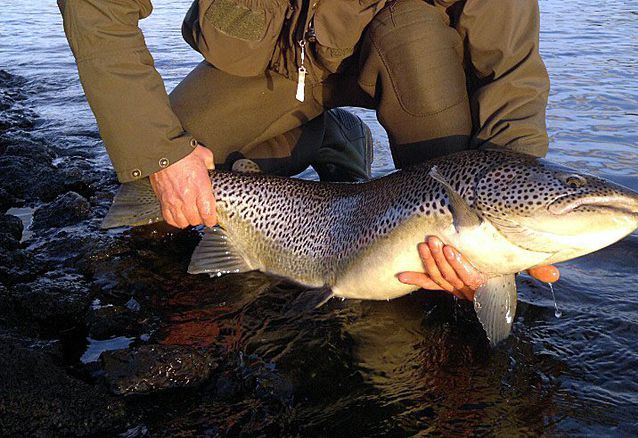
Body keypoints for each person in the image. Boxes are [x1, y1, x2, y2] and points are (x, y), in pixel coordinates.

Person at [59, 0, 558, 300]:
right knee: (154, 203)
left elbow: (510, 65)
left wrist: (508, 206)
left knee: (445, 245)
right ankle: (328, 136)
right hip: (275, 65)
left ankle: (359, 173)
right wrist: (162, 156)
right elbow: (96, 8)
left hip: (402, 58)